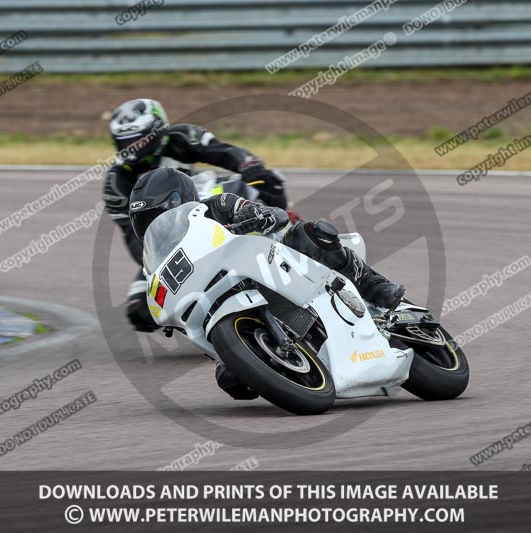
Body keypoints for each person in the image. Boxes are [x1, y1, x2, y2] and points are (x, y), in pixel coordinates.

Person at [129, 168, 405, 399]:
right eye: (143, 219)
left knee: (311, 233)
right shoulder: (155, 263)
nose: (153, 222)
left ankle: (373, 283)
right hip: (231, 296)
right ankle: (267, 357)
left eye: (157, 212)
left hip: (279, 262)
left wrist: (263, 215)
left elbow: (258, 209)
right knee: (230, 378)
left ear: (179, 200)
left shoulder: (216, 206)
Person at [101, 98, 289, 330]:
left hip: (202, 203)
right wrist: (159, 260)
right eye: (125, 141)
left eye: (138, 140)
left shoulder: (181, 137)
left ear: (157, 130)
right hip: (167, 241)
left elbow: (222, 152)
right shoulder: (116, 185)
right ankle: (215, 323)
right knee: (140, 312)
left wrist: (246, 163)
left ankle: (287, 236)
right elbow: (133, 237)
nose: (132, 147)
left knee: (268, 182)